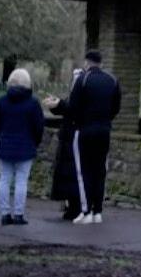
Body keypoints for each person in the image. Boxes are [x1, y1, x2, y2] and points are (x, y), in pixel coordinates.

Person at [65, 51, 121, 224]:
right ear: (101, 62)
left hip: (85, 130)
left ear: (87, 62)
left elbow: (72, 107)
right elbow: (116, 107)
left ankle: (85, 209)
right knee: (100, 170)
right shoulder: (112, 80)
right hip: (104, 130)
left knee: (84, 171)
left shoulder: (83, 80)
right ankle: (98, 211)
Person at [0, 68, 45, 226]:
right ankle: (18, 214)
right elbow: (38, 126)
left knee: (4, 179)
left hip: (6, 144)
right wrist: (35, 142)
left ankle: (4, 213)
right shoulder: (33, 103)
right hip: (25, 145)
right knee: (21, 181)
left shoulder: (1, 102)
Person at [42, 68, 84, 221]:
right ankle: (71, 206)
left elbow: (71, 109)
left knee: (73, 175)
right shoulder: (75, 95)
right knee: (68, 175)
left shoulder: (82, 96)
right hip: (67, 138)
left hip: (74, 139)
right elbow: (67, 108)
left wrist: (59, 104)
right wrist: (57, 104)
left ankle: (75, 207)